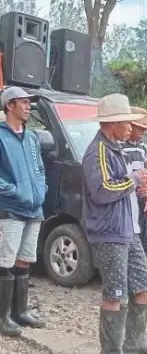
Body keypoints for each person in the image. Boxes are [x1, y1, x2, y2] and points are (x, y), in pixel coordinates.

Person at [81, 93, 147, 353]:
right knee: (114, 294)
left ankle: (135, 343)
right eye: (126, 122)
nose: (131, 127)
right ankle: (112, 350)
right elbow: (103, 190)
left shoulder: (115, 148)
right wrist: (136, 181)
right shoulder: (98, 152)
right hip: (110, 232)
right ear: (112, 123)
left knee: (143, 286)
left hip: (127, 230)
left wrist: (137, 185)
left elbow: (120, 185)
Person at [0, 87, 47, 337]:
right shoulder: (0, 135)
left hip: (34, 207)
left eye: (30, 103)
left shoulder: (31, 138)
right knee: (5, 261)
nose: (29, 106)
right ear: (10, 106)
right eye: (24, 102)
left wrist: (41, 189)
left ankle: (21, 311)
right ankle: (3, 317)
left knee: (25, 259)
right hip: (10, 208)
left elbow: (40, 167)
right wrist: (14, 191)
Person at [121, 106, 147, 238]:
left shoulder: (143, 147)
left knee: (141, 237)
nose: (143, 131)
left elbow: (146, 174)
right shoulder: (120, 146)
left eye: (145, 128)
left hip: (141, 200)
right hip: (126, 198)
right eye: (140, 127)